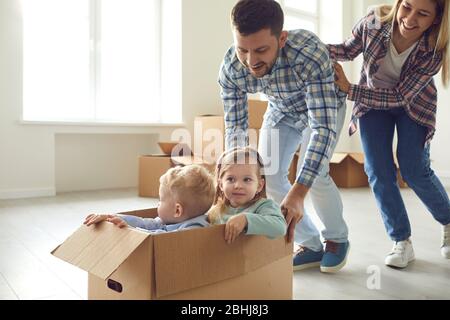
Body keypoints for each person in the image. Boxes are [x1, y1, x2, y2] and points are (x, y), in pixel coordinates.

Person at [218, 0, 350, 272]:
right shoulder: (232, 68)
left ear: (282, 38)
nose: (251, 61)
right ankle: (311, 244)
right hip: (282, 109)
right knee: (268, 173)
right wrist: (235, 175)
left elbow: (322, 128)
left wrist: (299, 191)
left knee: (316, 172)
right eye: (243, 49)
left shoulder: (309, 53)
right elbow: (236, 128)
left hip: (323, 107)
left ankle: (337, 239)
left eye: (261, 50)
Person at [329, 0, 450, 268]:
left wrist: (350, 89)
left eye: (422, 13)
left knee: (413, 169)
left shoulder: (434, 50)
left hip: (413, 106)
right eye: (406, 6)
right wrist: (309, 48)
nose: (409, 18)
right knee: (377, 170)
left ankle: (448, 221)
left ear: (436, 18)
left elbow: (400, 96)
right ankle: (401, 241)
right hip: (373, 104)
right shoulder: (373, 23)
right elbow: (347, 50)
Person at [84, 165, 215, 233]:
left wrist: (132, 232)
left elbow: (162, 240)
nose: (158, 204)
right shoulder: (169, 219)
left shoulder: (194, 228)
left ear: (177, 210)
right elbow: (145, 223)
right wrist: (113, 217)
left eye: (161, 200)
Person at [207, 147, 287, 244]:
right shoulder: (216, 211)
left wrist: (246, 219)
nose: (238, 186)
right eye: (231, 179)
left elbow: (280, 228)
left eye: (247, 180)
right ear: (221, 185)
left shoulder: (264, 206)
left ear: (259, 186)